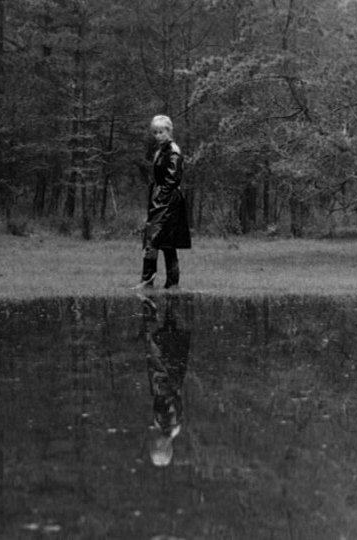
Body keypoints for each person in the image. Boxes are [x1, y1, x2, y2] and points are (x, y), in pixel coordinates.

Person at [141, 115, 191, 289]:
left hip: (168, 200)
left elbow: (173, 178)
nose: (158, 135)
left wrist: (161, 197)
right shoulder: (161, 151)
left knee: (161, 242)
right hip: (161, 197)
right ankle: (154, 282)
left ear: (169, 131)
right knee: (157, 241)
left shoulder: (173, 151)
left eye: (161, 132)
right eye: (155, 132)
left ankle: (165, 282)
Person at [140, 295, 191, 467]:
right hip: (166, 378)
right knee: (162, 342)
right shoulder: (168, 424)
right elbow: (169, 400)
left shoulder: (167, 426)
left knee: (165, 337)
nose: (153, 443)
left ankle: (166, 301)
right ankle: (164, 302)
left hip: (166, 378)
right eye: (155, 446)